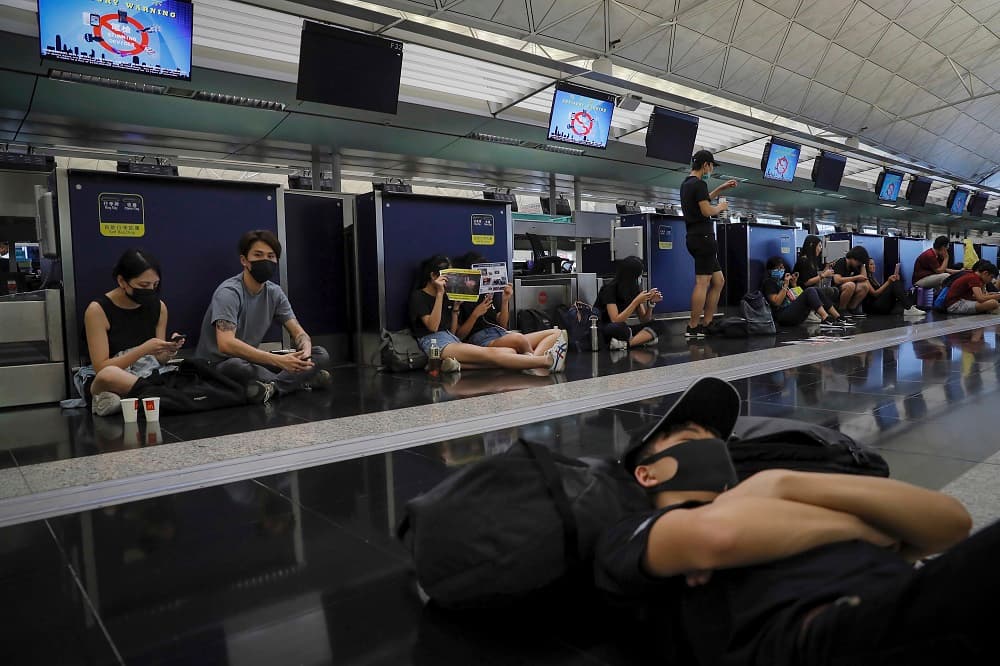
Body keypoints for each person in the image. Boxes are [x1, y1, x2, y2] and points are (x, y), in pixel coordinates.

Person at [596, 376, 993, 666]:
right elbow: (719, 535)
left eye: (717, 441)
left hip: (899, 601)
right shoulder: (631, 531)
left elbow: (952, 521)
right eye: (688, 440)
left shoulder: (774, 490)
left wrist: (779, 480)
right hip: (822, 635)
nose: (711, 448)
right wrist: (867, 529)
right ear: (646, 474)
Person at [195, 230, 332, 397]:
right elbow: (226, 344)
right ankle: (301, 381)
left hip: (253, 360)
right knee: (236, 367)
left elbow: (298, 332)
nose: (265, 261)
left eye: (271, 256)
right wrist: (278, 360)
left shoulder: (275, 293)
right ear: (244, 260)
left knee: (321, 354)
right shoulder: (229, 292)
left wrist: (306, 350)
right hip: (218, 364)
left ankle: (273, 387)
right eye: (258, 255)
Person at [409, 255, 566, 373]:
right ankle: (543, 361)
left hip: (453, 338)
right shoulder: (420, 296)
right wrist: (440, 295)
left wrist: (455, 309)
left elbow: (454, 330)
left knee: (509, 352)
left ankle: (452, 365)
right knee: (495, 352)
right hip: (435, 341)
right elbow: (433, 326)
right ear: (433, 276)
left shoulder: (449, 297)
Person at [77, 249, 184, 414]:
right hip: (113, 374)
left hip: (147, 373)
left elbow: (159, 360)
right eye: (143, 285)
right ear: (122, 281)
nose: (150, 290)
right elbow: (101, 368)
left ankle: (137, 399)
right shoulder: (97, 311)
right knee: (109, 376)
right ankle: (161, 398)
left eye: (155, 285)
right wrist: (143, 350)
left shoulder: (159, 307)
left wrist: (169, 350)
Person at [451, 252, 562, 356]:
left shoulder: (488, 294)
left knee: (556, 334)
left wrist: (505, 301)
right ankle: (538, 361)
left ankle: (533, 360)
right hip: (482, 339)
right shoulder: (462, 298)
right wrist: (475, 314)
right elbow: (459, 336)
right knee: (517, 341)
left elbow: (502, 325)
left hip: (501, 334)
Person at [680, 150, 738, 338]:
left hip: (695, 237)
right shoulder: (699, 184)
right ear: (706, 165)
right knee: (703, 282)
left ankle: (707, 321)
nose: (711, 169)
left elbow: (702, 201)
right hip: (703, 238)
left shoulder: (687, 184)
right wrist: (720, 207)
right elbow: (706, 211)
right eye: (711, 166)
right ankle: (693, 326)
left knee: (719, 281)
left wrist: (720, 189)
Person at [595, 255, 665, 349]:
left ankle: (627, 344)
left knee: (659, 325)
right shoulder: (609, 289)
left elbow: (644, 320)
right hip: (608, 328)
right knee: (620, 328)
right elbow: (615, 320)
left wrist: (651, 304)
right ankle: (641, 340)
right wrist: (635, 302)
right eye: (639, 275)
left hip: (625, 329)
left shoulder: (635, 290)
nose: (640, 278)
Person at [761, 256, 848, 330]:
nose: (781, 270)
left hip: (792, 311)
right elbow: (776, 302)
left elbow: (797, 297)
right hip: (782, 315)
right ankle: (825, 318)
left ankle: (837, 316)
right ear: (770, 270)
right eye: (778, 268)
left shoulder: (782, 281)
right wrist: (785, 286)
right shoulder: (769, 283)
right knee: (809, 290)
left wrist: (794, 284)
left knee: (815, 290)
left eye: (782, 268)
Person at [793, 235, 838, 306]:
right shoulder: (803, 261)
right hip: (805, 291)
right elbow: (806, 282)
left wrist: (827, 267)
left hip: (812, 289)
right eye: (819, 246)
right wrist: (823, 275)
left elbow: (814, 277)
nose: (820, 249)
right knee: (830, 290)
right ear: (812, 245)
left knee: (835, 290)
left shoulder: (811, 261)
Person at [831, 246, 871, 315]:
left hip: (849, 289)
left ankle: (851, 308)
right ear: (853, 258)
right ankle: (841, 309)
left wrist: (862, 265)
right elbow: (837, 280)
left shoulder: (855, 266)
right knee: (850, 285)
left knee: (865, 285)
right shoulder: (841, 262)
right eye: (858, 262)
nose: (858, 263)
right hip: (837, 288)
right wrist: (855, 278)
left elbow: (864, 278)